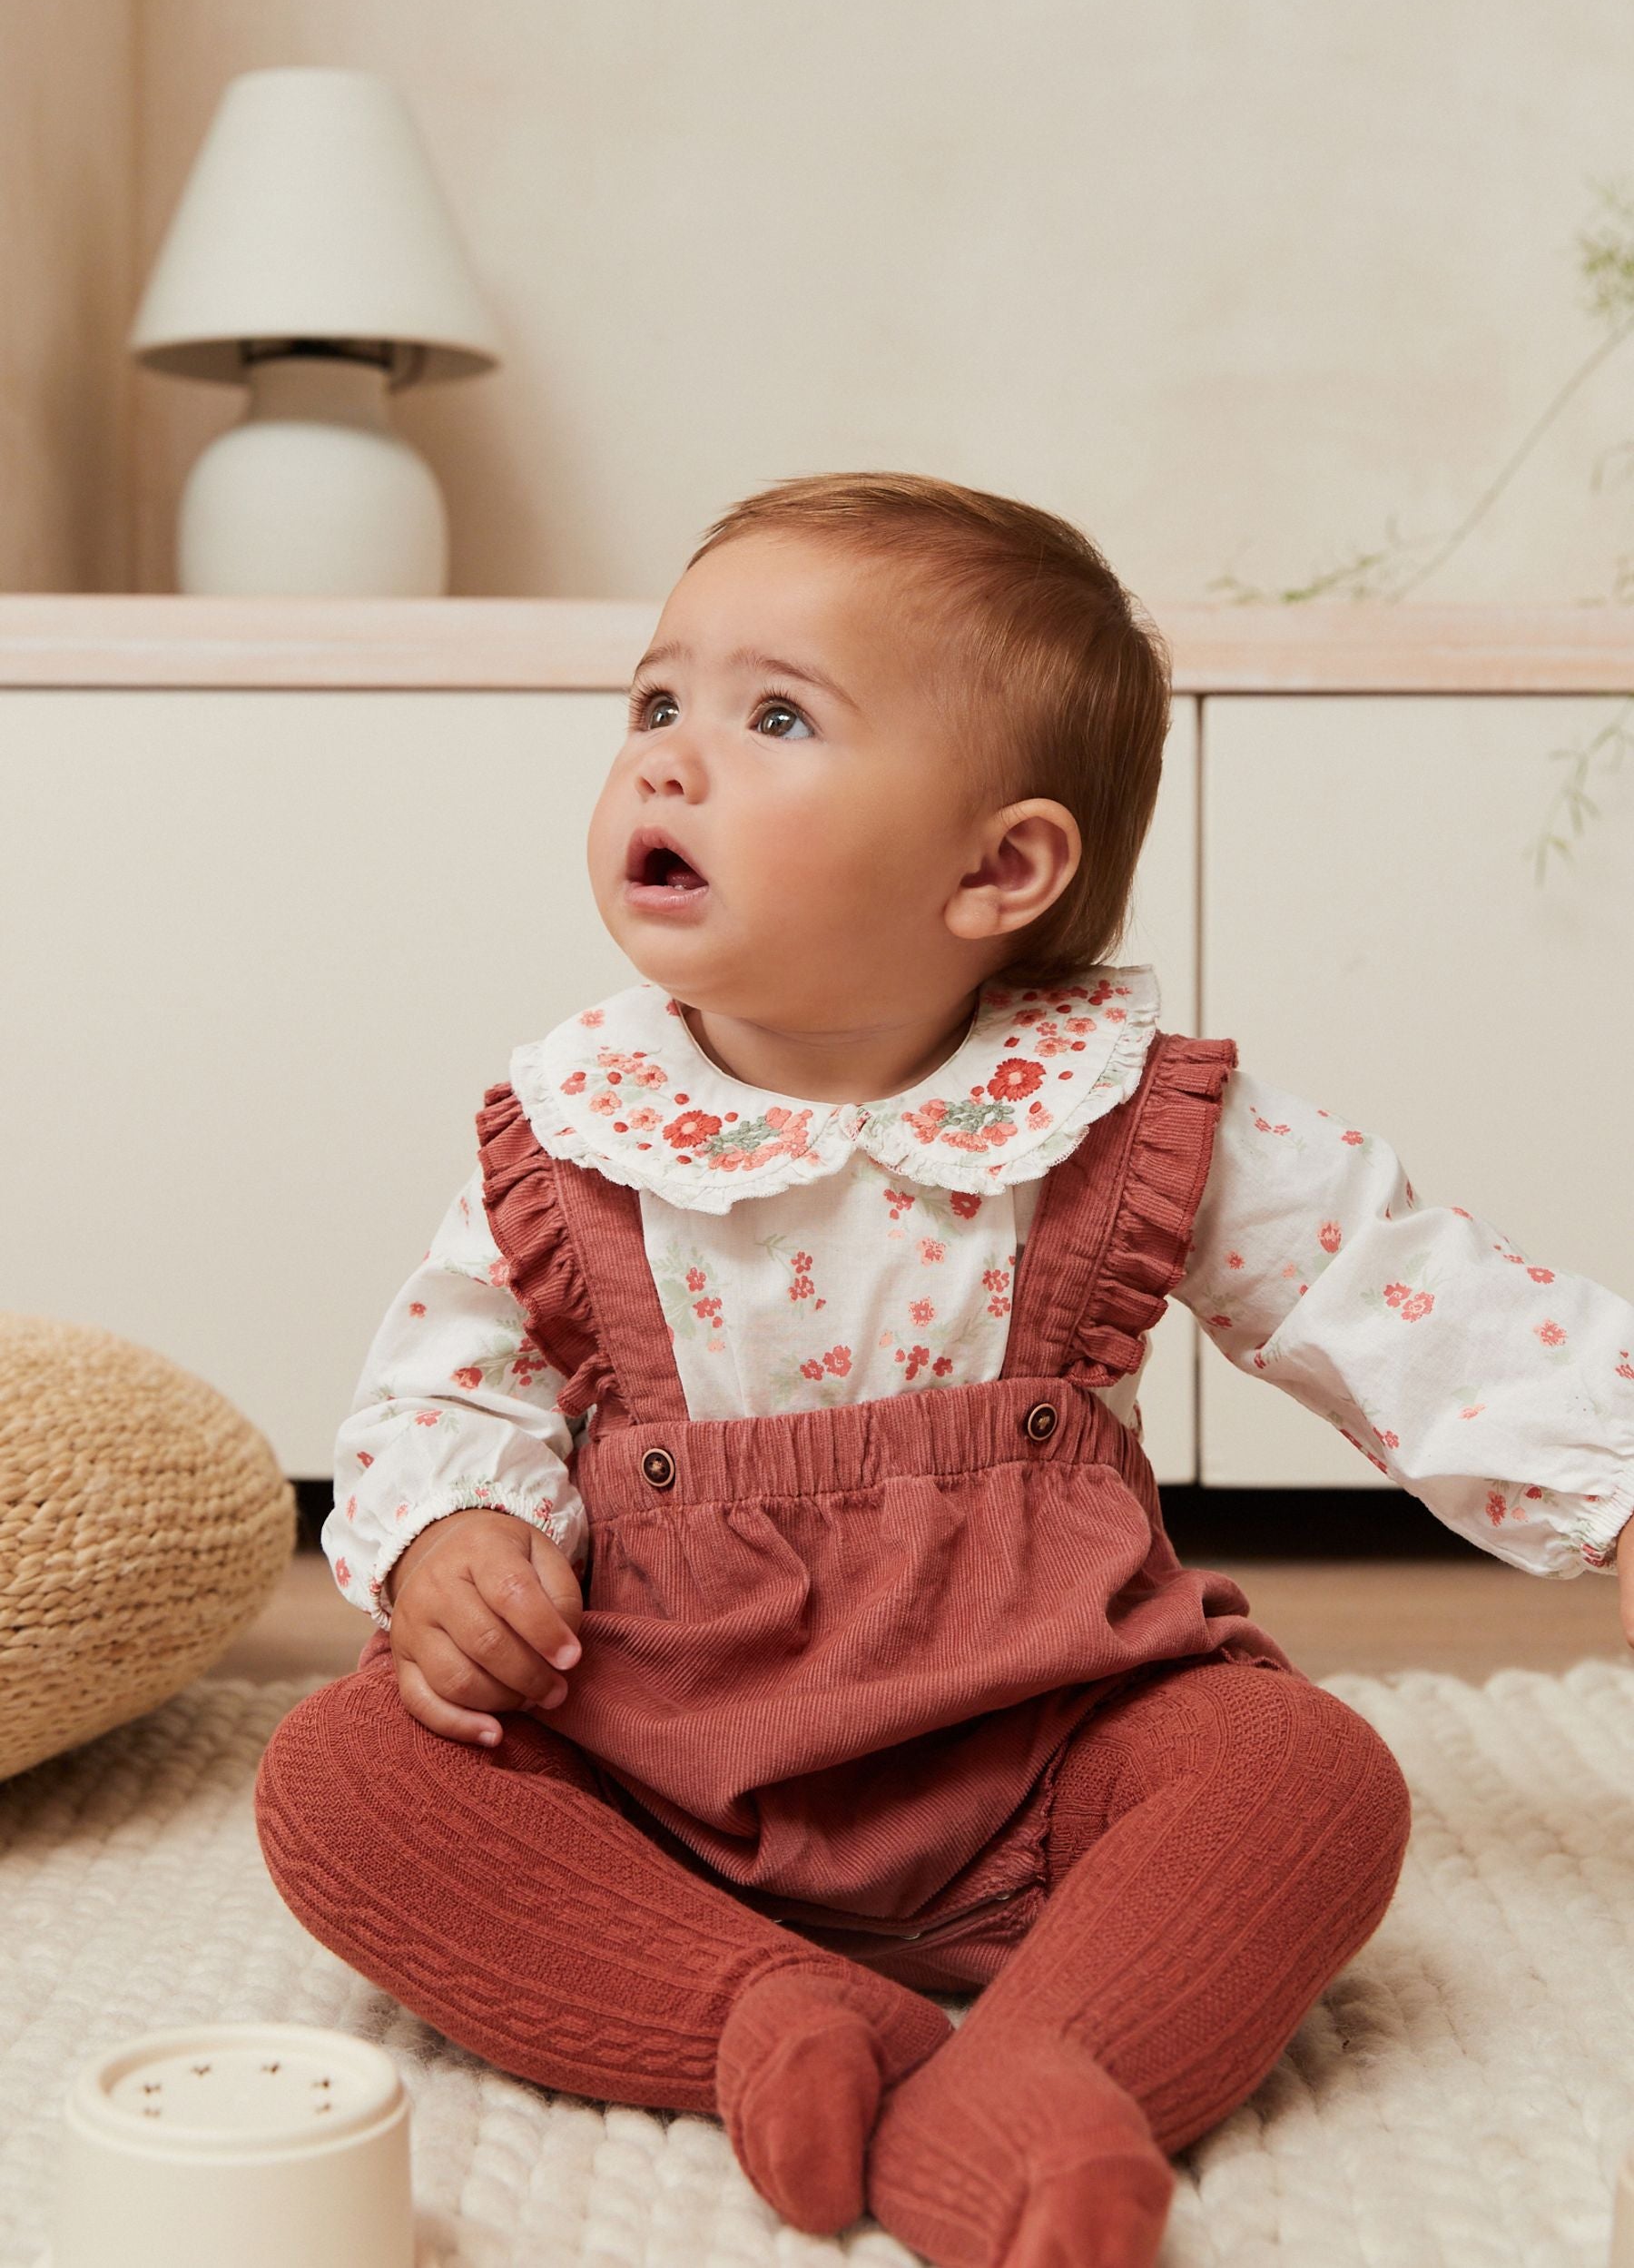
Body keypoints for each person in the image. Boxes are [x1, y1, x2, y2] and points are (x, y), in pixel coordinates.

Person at [256, 472, 1634, 2268]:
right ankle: (764, 2019)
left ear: (1003, 867)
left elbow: (1407, 1293)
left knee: (1308, 1781)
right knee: (350, 1783)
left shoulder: (1123, 1117)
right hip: (657, 1776)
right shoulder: (576, 1126)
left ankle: (1049, 2074)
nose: (668, 760)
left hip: (1052, 1751)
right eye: (656, 702)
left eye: (773, 717)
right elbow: (445, 1383)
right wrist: (453, 1547)